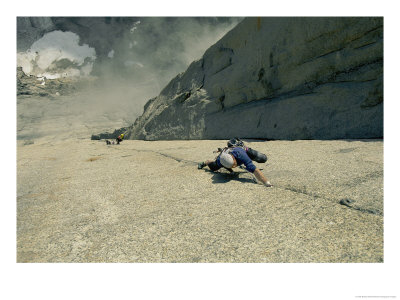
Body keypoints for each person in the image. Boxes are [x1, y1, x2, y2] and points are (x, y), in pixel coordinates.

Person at [198, 146, 273, 187]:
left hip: (242, 150)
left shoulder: (241, 155)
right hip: (225, 156)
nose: (235, 166)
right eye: (232, 166)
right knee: (213, 167)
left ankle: (244, 147)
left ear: (234, 158)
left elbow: (255, 170)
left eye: (234, 165)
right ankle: (205, 162)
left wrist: (266, 182)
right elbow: (226, 165)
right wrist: (231, 171)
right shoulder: (220, 161)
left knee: (263, 158)